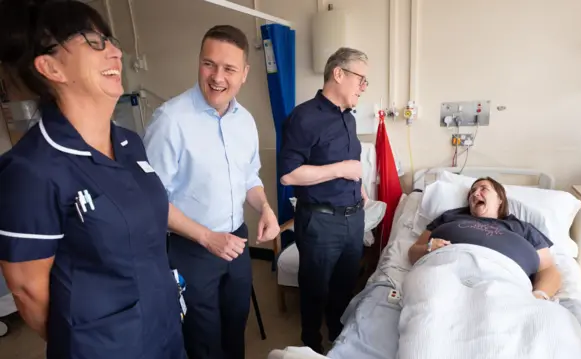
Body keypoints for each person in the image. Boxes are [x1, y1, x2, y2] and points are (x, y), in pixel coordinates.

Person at [0, 1, 184, 358]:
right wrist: (88, 340)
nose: (116, 52)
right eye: (94, 41)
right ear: (50, 67)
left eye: (110, 40)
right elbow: (28, 292)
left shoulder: (129, 143)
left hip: (164, 327)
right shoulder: (31, 171)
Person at [143, 25, 279, 359]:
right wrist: (206, 237)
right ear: (199, 63)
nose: (217, 77)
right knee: (202, 341)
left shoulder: (244, 121)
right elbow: (151, 199)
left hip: (236, 243)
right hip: (190, 250)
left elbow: (250, 177)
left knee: (235, 327)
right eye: (209, 64)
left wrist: (265, 207)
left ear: (244, 74)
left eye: (229, 68)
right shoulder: (170, 121)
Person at [278, 47, 370, 354]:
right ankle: (311, 344)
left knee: (345, 284)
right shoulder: (303, 118)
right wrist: (342, 170)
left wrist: (359, 185)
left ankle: (337, 336)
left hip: (353, 217)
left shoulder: (350, 120)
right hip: (320, 221)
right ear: (338, 73)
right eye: (361, 79)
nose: (363, 87)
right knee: (315, 289)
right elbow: (288, 175)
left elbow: (350, 165)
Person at [408, 177, 562, 300]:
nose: (475, 194)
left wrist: (540, 294)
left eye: (483, 189)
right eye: (472, 192)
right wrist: (428, 248)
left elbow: (548, 268)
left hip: (505, 282)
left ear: (500, 199)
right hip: (445, 272)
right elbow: (414, 251)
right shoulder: (449, 217)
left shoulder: (523, 228)